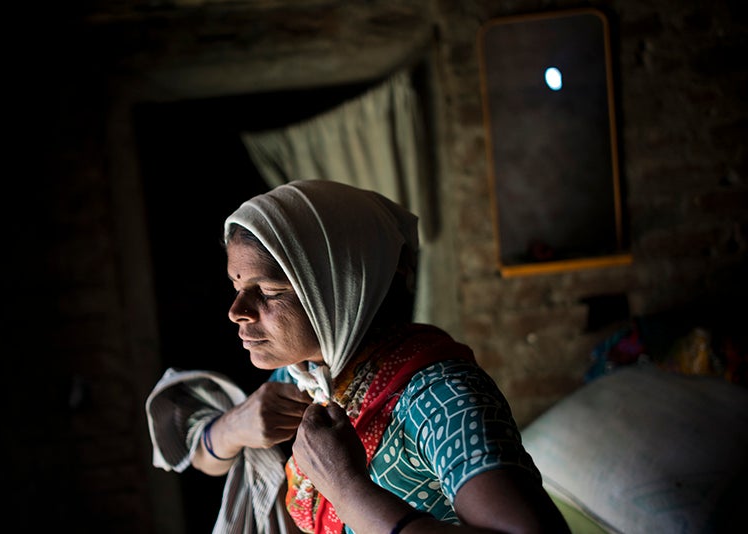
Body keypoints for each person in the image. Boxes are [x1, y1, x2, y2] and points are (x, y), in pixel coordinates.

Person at [146, 180, 570, 534]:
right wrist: (236, 425)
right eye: (235, 287)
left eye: (270, 292)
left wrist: (347, 488)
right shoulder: (306, 378)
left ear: (340, 289)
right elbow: (202, 457)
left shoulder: (439, 398)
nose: (236, 311)